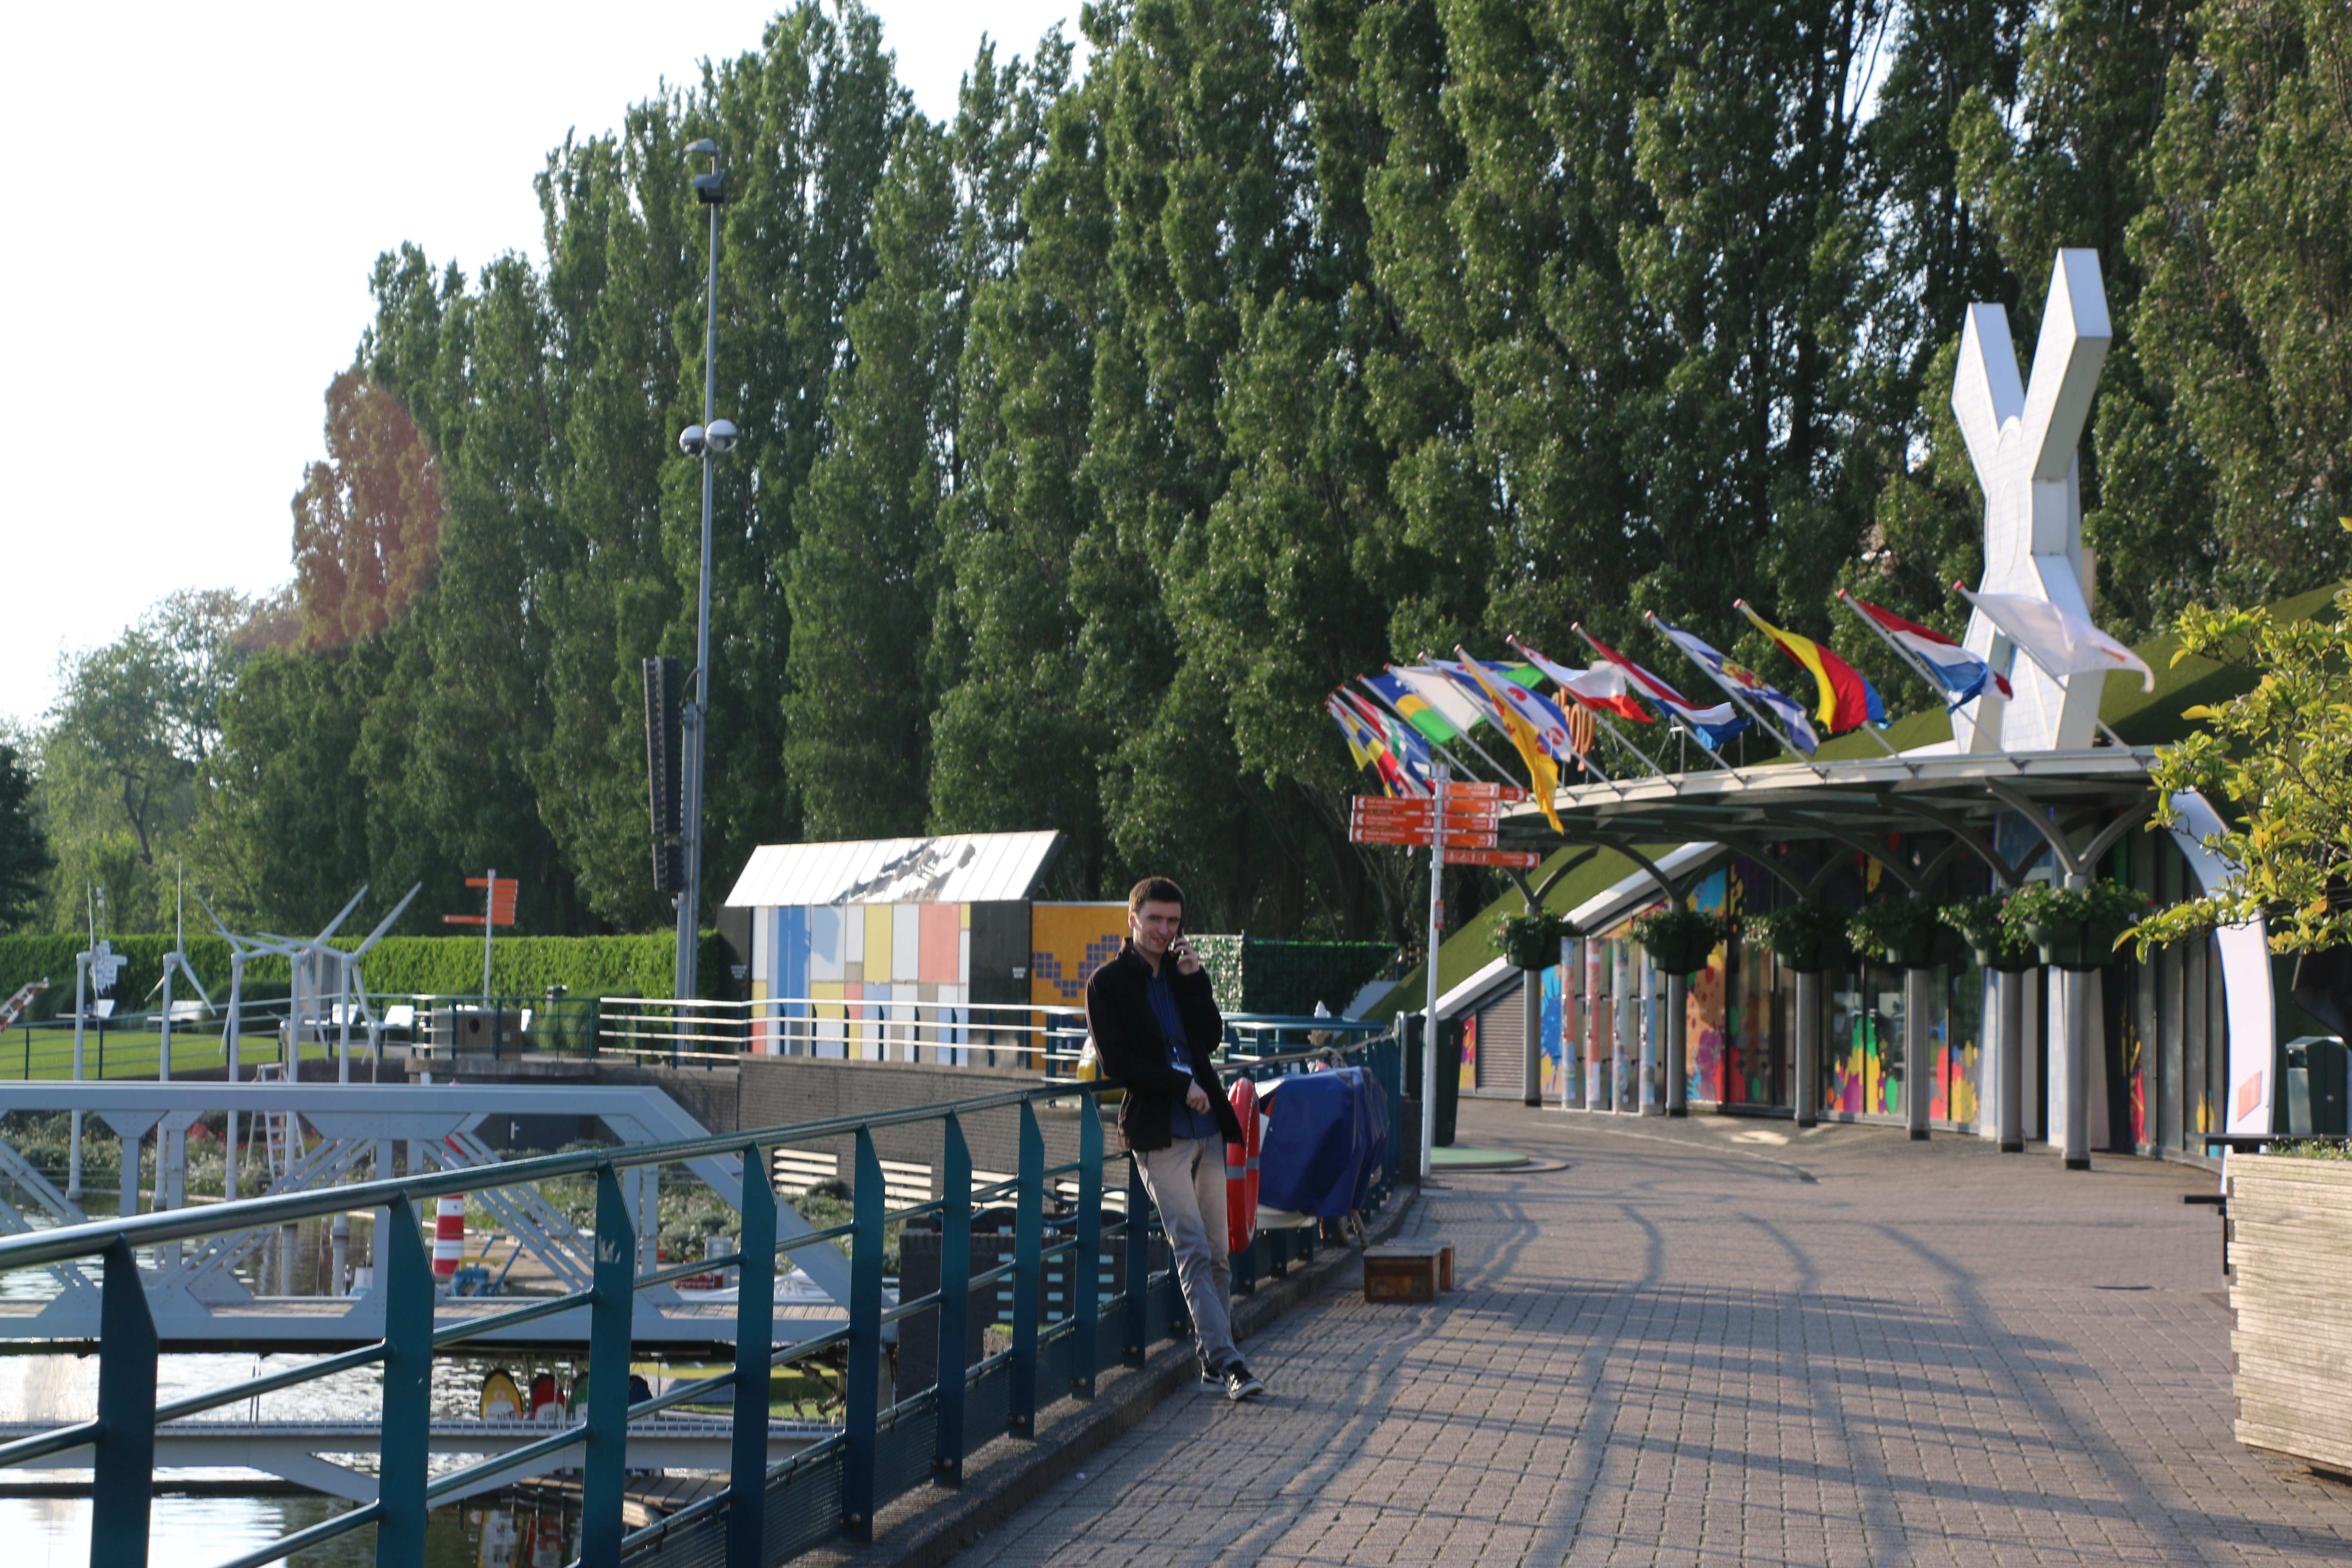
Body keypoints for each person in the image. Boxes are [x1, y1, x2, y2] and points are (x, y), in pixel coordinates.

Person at [1085, 876, 1267, 1402]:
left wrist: (1195, 982)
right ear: (1133, 920)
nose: (1164, 931)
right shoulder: (1107, 983)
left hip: (1206, 1127)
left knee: (1218, 1253)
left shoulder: (1181, 973)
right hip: (1158, 1129)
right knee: (1191, 1247)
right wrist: (1178, 1085)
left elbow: (1209, 1038)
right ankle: (1230, 1362)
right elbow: (1117, 1062)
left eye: (1173, 922)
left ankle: (1212, 1361)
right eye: (1155, 920)